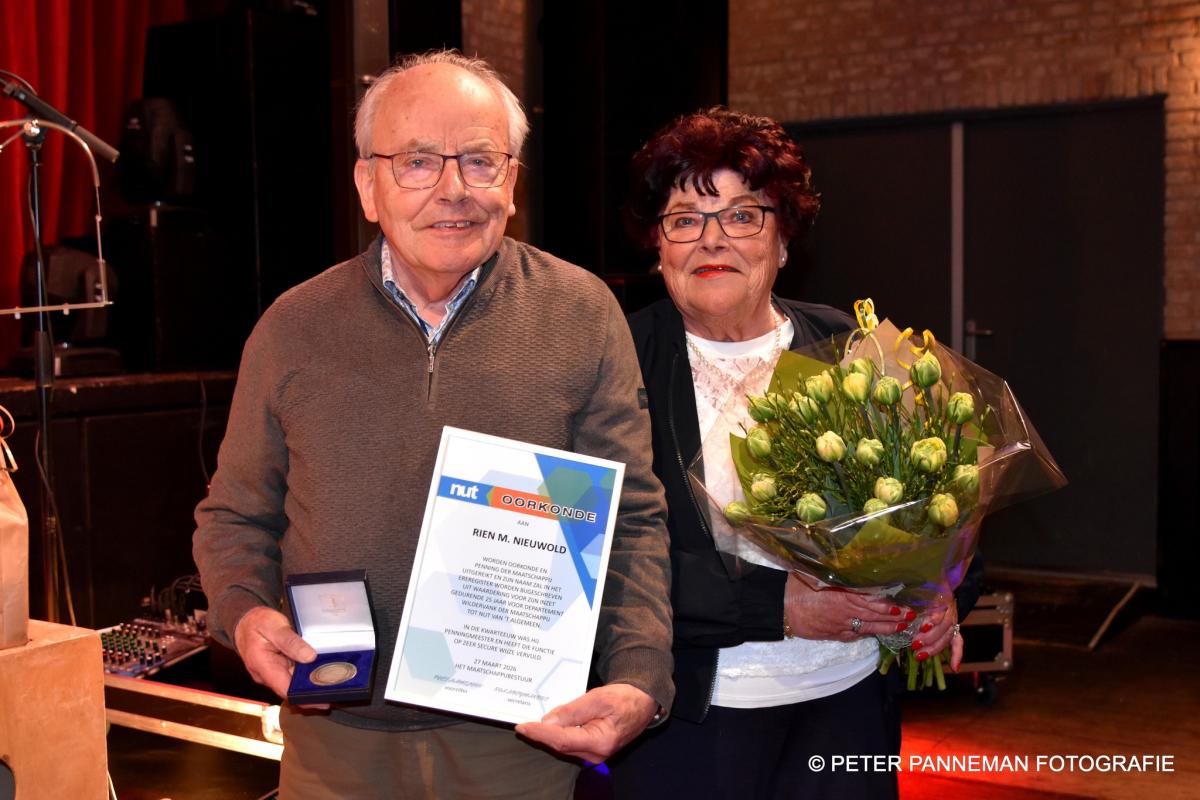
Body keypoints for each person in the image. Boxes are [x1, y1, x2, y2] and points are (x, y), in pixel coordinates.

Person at [192, 50, 673, 799]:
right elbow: (234, 516)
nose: (454, 190)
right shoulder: (292, 327)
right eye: (417, 162)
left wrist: (642, 673)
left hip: (521, 743)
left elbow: (631, 520)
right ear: (368, 186)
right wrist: (244, 614)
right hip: (335, 743)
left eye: (480, 161)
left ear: (512, 182)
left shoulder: (582, 314)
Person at [610, 108, 982, 799]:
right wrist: (775, 605)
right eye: (684, 219)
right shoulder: (617, 359)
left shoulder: (846, 345)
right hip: (694, 723)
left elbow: (941, 496)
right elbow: (604, 560)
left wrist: (944, 594)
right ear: (657, 245)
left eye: (742, 216)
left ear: (783, 241)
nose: (712, 239)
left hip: (848, 705)